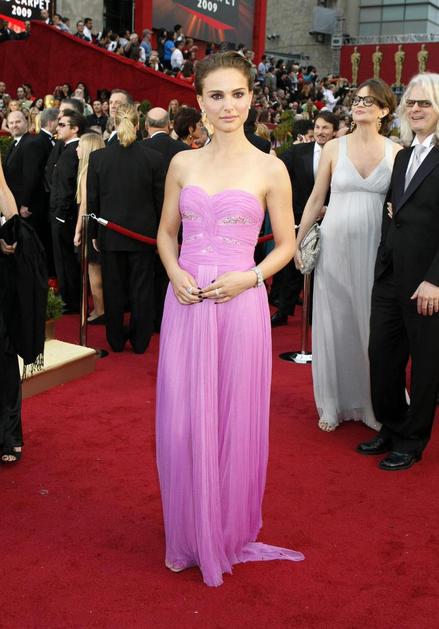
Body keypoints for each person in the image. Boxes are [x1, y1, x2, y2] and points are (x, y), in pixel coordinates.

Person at [156, 51, 303, 587]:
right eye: (216, 95)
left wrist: (252, 277)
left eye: (237, 94)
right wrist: (174, 271)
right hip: (187, 303)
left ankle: (224, 530)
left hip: (240, 304)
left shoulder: (271, 168)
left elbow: (287, 244)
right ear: (199, 101)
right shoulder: (182, 164)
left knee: (232, 417)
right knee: (182, 421)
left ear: (251, 98)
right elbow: (165, 233)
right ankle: (190, 529)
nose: (228, 105)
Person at [295, 79, 401, 432]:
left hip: (377, 248)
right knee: (335, 320)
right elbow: (316, 198)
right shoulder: (333, 148)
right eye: (357, 99)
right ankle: (332, 403)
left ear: (384, 110)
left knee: (372, 324)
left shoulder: (396, 151)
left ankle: (373, 403)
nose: (359, 105)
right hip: (334, 246)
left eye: (369, 101)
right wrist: (298, 241)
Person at [358, 73, 439, 471]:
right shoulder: (404, 156)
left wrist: (436, 280)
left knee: (424, 364)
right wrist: (383, 257)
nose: (416, 109)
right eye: (411, 102)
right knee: (382, 355)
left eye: (425, 103)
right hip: (391, 274)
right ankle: (391, 425)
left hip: (428, 281)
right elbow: (392, 211)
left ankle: (412, 439)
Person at [87, 105, 165, 353]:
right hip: (143, 236)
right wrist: (161, 235)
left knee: (113, 287)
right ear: (139, 124)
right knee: (142, 288)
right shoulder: (154, 158)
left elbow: (92, 200)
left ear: (113, 123)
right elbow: (160, 202)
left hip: (110, 234)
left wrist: (93, 234)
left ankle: (116, 340)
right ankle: (141, 341)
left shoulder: (99, 158)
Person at [271, 111, 338, 330]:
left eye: (325, 128)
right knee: (293, 267)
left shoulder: (341, 154)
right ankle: (283, 311)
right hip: (299, 217)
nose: (320, 132)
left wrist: (328, 208)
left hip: (330, 219)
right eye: (317, 127)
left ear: (334, 131)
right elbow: (277, 170)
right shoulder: (299, 151)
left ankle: (313, 315)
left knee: (322, 268)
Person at [50, 109, 86, 313]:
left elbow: (68, 188)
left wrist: (61, 216)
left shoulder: (73, 152)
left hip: (64, 215)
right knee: (63, 259)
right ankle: (69, 297)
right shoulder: (66, 149)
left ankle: (70, 300)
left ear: (75, 129)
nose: (58, 127)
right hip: (61, 213)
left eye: (63, 125)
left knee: (66, 259)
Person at [74, 132, 106, 324]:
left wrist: (77, 230)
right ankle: (100, 309)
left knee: (94, 270)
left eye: (80, 145)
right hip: (97, 224)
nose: (76, 149)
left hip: (89, 225)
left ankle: (101, 311)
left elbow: (85, 205)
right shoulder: (98, 168)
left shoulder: (87, 171)